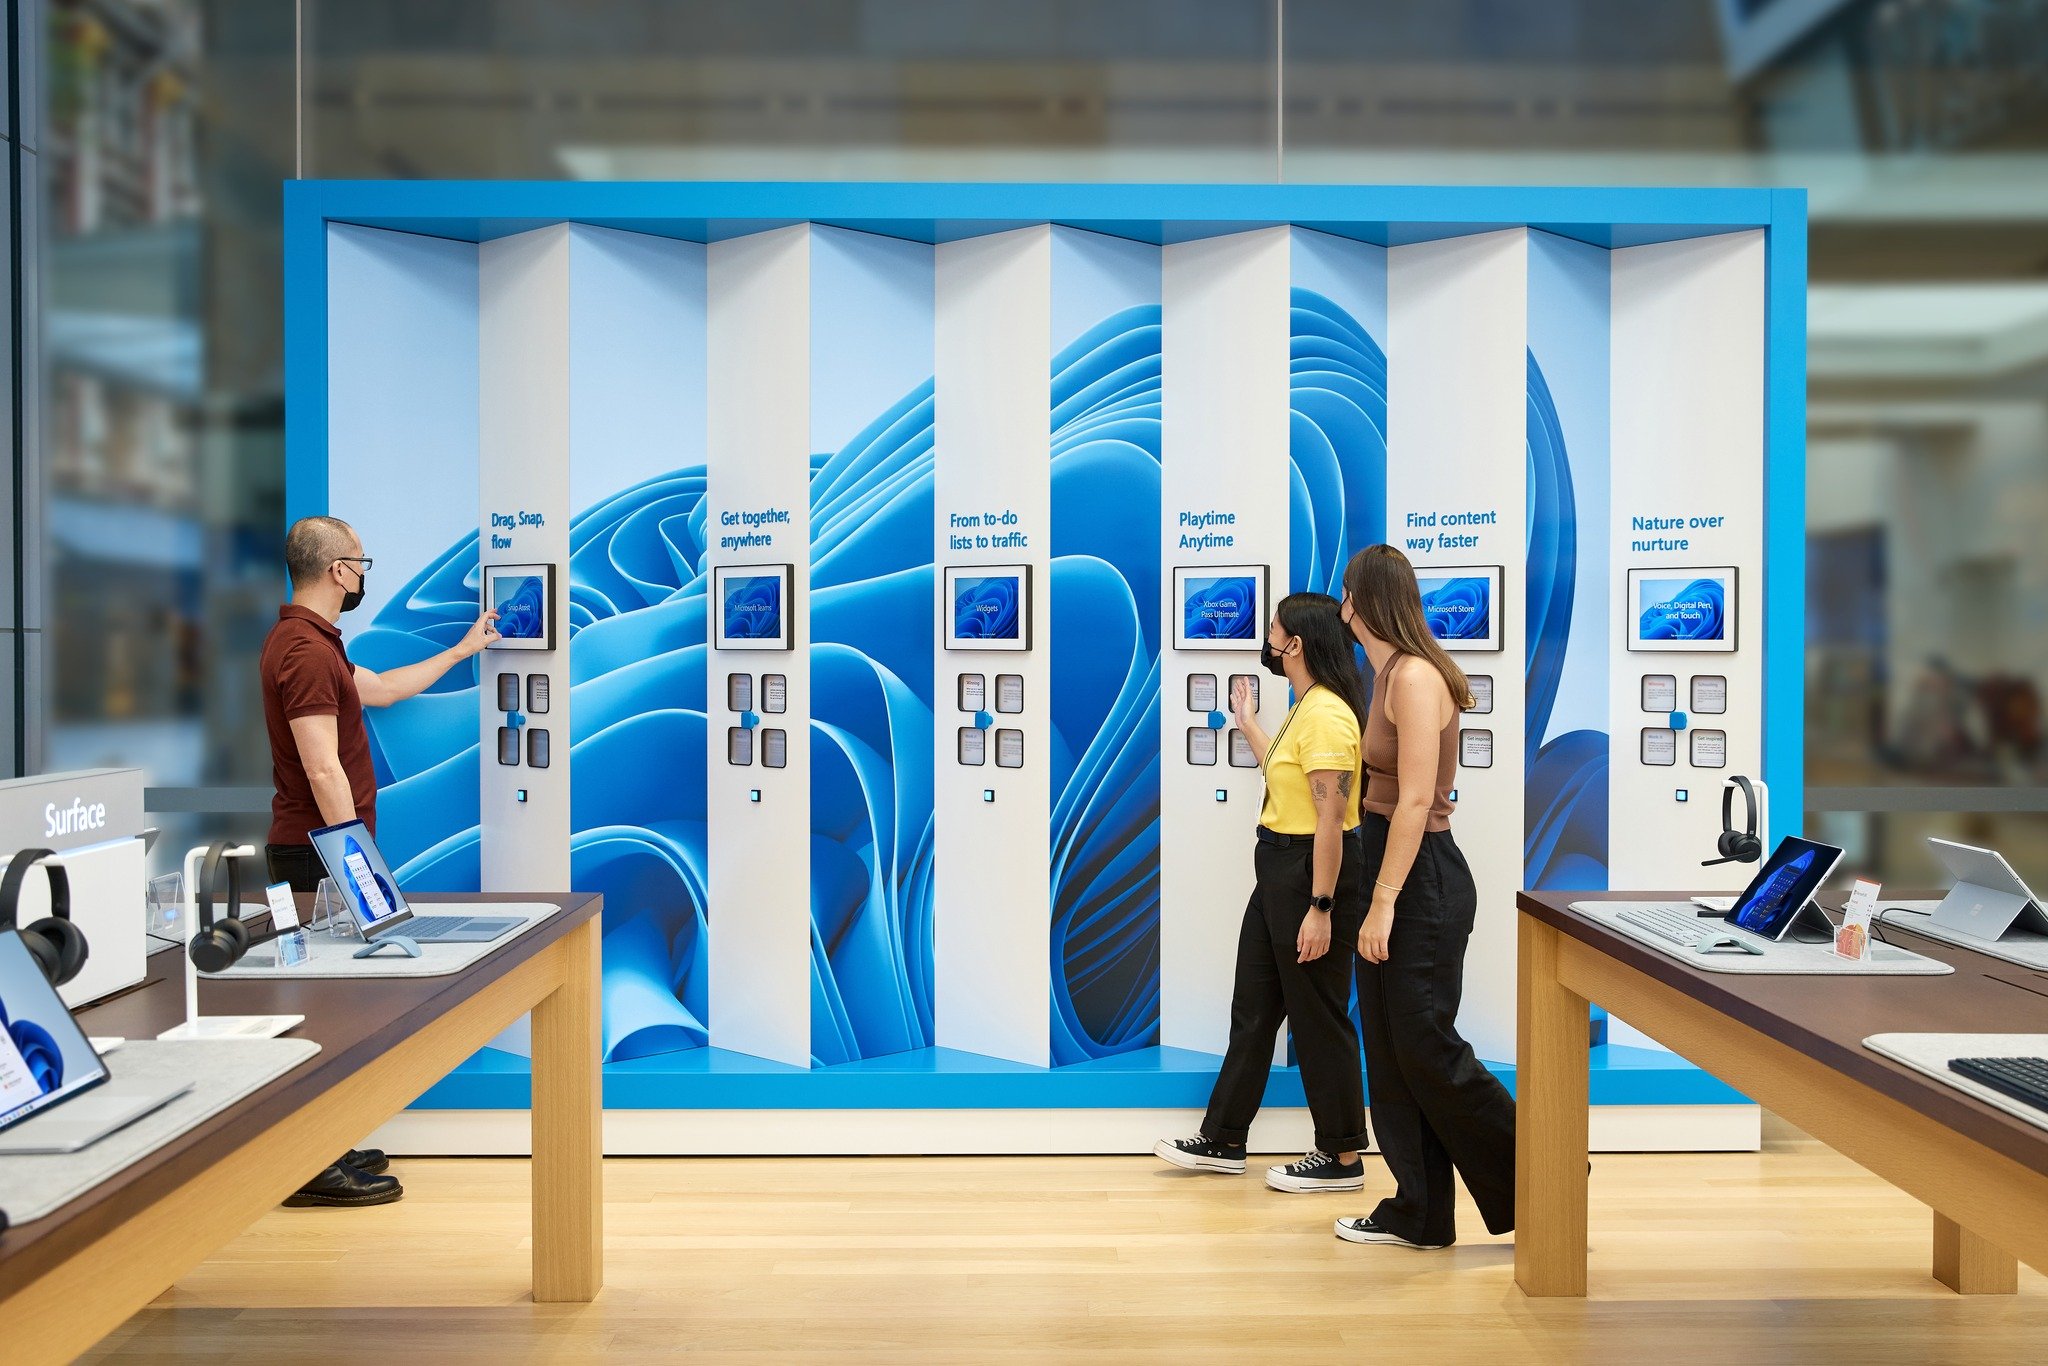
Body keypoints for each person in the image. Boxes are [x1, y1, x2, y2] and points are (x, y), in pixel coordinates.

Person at [260, 515, 499, 1207]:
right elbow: (322, 769)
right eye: (361, 561)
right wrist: (357, 865)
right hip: (315, 857)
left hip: (319, 852)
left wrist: (463, 649)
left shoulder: (314, 644)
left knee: (333, 1004)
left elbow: (386, 690)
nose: (365, 573)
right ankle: (308, 1161)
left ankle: (324, 1141)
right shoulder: (303, 652)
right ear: (338, 571)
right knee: (319, 1009)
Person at [1156, 592, 1374, 1193]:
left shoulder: (1327, 714)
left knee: (1317, 1015)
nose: (1267, 638)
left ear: (1295, 643)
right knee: (1254, 1008)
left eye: (1273, 628)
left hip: (1311, 873)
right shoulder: (1305, 707)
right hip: (1279, 868)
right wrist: (1249, 722)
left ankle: (1342, 1156)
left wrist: (1322, 908)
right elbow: (1289, 781)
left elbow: (1331, 819)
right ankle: (1225, 1138)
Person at [1333, 544, 1515, 1250]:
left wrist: (1381, 904)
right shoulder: (1385, 677)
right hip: (1389, 864)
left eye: (1346, 595)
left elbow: (1414, 802)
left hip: (1421, 878)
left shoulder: (1412, 677)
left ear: (1362, 601)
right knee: (1391, 1052)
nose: (1341, 608)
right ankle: (1420, 1210)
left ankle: (1549, 1173)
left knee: (1427, 1046)